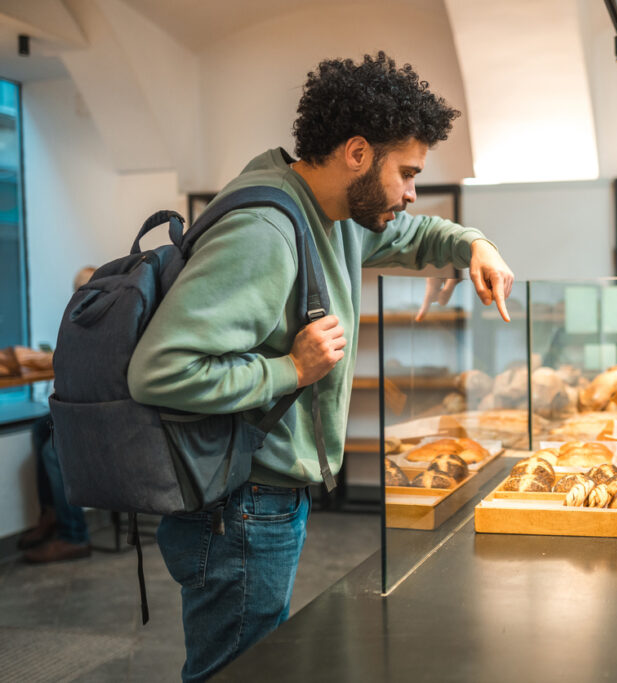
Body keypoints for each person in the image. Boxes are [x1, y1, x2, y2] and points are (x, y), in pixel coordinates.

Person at [126, 52, 514, 681]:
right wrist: (291, 370)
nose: (412, 192)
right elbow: (161, 371)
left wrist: (474, 244)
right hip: (239, 506)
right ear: (357, 153)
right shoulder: (266, 231)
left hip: (263, 499)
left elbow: (416, 234)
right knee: (237, 671)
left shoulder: (336, 215)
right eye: (407, 173)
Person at [18, 266, 96, 563]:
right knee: (41, 428)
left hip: (101, 418)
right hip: (82, 409)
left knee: (54, 452)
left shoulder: (107, 323)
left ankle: (75, 536)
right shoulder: (80, 323)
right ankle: (50, 514)